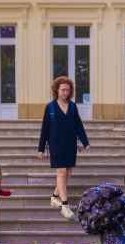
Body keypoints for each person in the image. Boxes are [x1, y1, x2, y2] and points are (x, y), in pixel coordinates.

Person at [38, 75, 89, 219]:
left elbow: (78, 124)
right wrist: (41, 148)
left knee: (68, 173)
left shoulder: (73, 106)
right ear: (57, 90)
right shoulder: (50, 107)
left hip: (70, 144)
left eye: (68, 90)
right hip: (55, 144)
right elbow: (45, 128)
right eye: (63, 90)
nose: (65, 92)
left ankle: (55, 197)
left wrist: (85, 142)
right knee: (61, 172)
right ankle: (65, 205)